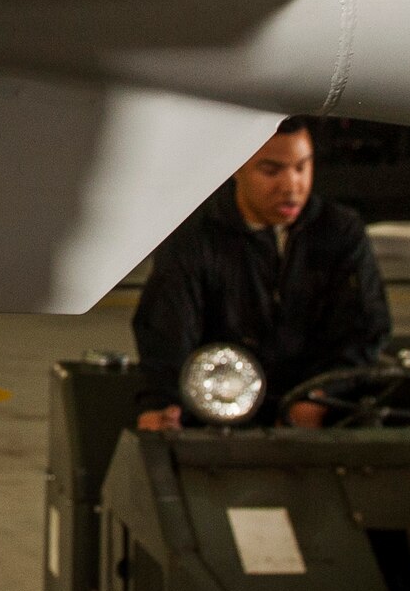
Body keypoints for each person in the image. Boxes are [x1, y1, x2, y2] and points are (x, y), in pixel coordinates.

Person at [132, 118, 391, 430]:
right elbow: (166, 331)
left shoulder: (340, 232)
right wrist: (162, 404)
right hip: (219, 415)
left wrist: (321, 397)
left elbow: (365, 329)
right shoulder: (194, 238)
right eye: (271, 171)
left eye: (301, 167)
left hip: (318, 409)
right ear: (236, 168)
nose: (291, 186)